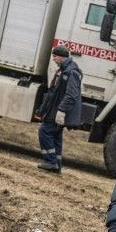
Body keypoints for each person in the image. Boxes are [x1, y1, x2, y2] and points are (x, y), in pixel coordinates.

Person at [34, 44, 83, 174]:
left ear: (61, 57)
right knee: (55, 135)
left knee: (44, 131)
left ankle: (50, 161)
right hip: (53, 110)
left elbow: (71, 95)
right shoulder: (62, 70)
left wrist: (61, 110)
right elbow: (52, 92)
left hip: (58, 110)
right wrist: (41, 110)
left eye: (54, 56)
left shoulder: (71, 72)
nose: (53, 59)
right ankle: (57, 165)